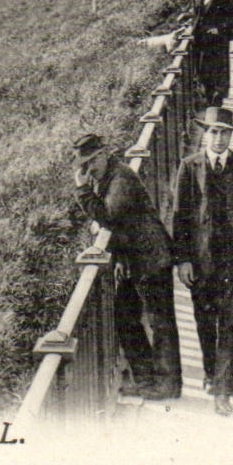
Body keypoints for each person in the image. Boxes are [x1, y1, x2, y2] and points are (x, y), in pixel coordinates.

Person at [72, 134, 181, 400]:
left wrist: (82, 190)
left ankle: (167, 385)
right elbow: (119, 223)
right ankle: (145, 378)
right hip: (135, 260)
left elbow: (109, 216)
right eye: (83, 165)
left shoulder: (120, 179)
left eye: (91, 162)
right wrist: (120, 259)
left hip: (151, 259)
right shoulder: (108, 177)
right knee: (125, 316)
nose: (88, 169)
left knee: (160, 322)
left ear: (103, 155)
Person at [170, 107, 233, 417]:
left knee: (230, 324)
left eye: (225, 132)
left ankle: (223, 390)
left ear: (231, 135)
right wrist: (183, 260)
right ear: (205, 134)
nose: (219, 138)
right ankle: (211, 372)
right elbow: (180, 217)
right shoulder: (190, 167)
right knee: (205, 322)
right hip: (202, 260)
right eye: (214, 132)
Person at [191, 0, 233, 108]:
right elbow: (197, 15)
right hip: (201, 41)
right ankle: (206, 98)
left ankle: (216, 102)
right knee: (203, 70)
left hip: (217, 42)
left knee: (217, 72)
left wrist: (219, 28)